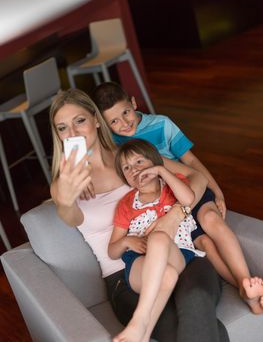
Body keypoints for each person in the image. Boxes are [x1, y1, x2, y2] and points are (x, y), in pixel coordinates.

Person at [49, 88, 230, 342]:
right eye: (62, 128)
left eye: (79, 121)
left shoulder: (131, 155)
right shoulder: (64, 181)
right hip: (125, 277)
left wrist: (175, 216)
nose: (73, 133)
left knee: (197, 302)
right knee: (190, 329)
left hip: (180, 254)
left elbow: (195, 177)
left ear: (96, 121)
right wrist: (66, 200)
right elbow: (71, 217)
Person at [92, 81, 263, 314]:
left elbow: (191, 163)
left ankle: (246, 279)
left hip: (187, 187)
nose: (123, 123)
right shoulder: (114, 145)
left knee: (212, 219)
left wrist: (217, 190)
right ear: (104, 124)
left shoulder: (161, 124)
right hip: (166, 201)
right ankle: (243, 289)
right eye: (114, 121)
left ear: (133, 103)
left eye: (125, 113)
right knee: (204, 243)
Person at [109, 138, 206, 342]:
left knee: (160, 238)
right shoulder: (126, 204)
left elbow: (188, 199)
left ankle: (139, 318)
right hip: (140, 262)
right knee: (168, 275)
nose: (134, 170)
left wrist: (162, 171)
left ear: (154, 162)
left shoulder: (171, 185)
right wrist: (127, 241)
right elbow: (112, 251)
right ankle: (141, 335)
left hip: (177, 253)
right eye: (126, 168)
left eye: (139, 162)